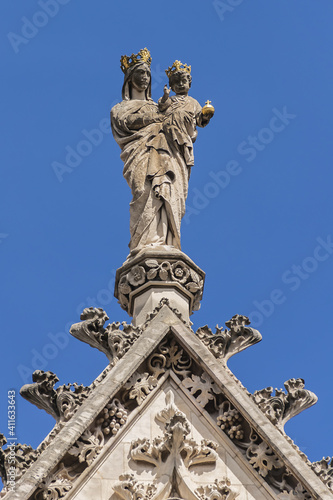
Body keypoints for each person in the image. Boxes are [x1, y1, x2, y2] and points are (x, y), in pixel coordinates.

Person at [110, 49, 189, 255]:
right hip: (141, 154)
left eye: (147, 74)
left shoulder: (159, 105)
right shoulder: (120, 108)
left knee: (166, 189)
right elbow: (124, 123)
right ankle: (144, 242)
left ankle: (165, 240)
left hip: (166, 154)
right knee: (143, 191)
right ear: (130, 78)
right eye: (140, 73)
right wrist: (152, 119)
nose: (144, 78)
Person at [158, 60, 213, 168]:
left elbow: (199, 119)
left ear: (189, 84)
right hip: (170, 127)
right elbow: (162, 106)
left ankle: (184, 154)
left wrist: (205, 116)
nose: (181, 84)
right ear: (172, 87)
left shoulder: (193, 102)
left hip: (185, 128)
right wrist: (165, 96)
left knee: (181, 147)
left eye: (183, 81)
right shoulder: (171, 99)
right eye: (177, 83)